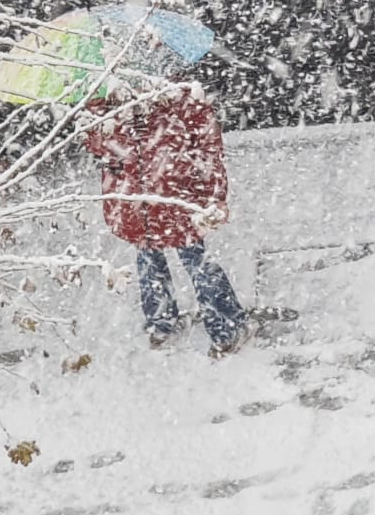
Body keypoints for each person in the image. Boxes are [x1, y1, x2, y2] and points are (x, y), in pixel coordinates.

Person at [83, 78, 253, 357]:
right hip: (176, 195)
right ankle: (226, 328)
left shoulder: (107, 108)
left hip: (135, 201)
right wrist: (215, 195)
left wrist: (101, 109)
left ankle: (161, 324)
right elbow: (209, 149)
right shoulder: (178, 102)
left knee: (149, 256)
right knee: (196, 260)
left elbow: (99, 146)